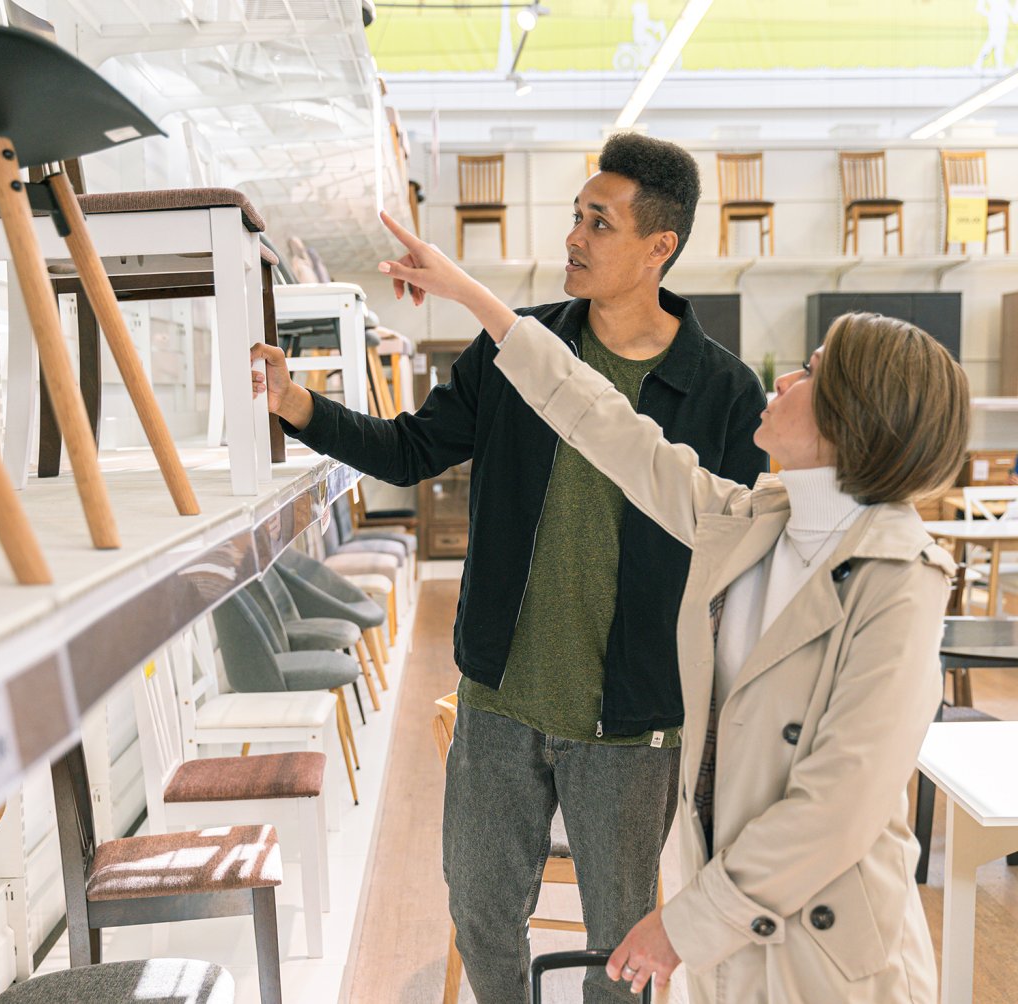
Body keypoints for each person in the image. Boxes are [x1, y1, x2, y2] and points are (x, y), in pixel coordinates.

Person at [364, 210, 970, 1004]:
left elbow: (838, 806)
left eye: (812, 370)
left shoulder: (901, 578)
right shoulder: (755, 523)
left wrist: (682, 923)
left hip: (829, 957)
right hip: (736, 943)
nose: (785, 378)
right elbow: (604, 423)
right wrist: (475, 298)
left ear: (855, 413)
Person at [252, 132, 767, 1003]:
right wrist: (295, 403)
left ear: (658, 248)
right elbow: (411, 448)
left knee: (623, 948)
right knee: (484, 920)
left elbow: (745, 560)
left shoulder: (723, 391)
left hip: (632, 721)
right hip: (500, 699)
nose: (573, 236)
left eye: (598, 224)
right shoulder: (513, 348)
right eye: (575, 216)